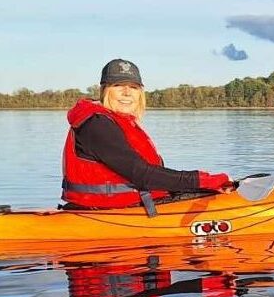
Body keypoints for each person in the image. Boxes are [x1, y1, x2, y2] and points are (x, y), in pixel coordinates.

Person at [62, 58, 233, 215]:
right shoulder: (97, 124)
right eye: (118, 86)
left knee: (217, 191)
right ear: (104, 90)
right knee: (210, 191)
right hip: (104, 211)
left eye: (134, 87)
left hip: (128, 205)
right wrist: (203, 180)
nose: (127, 93)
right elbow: (142, 175)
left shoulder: (118, 122)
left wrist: (208, 185)